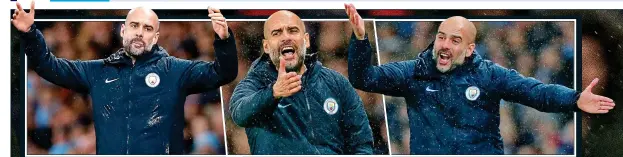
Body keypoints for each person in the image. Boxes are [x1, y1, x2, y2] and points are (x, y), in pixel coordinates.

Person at [344, 4, 616, 155]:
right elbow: (363, 77)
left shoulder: (490, 74)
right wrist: (359, 39)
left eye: (455, 40)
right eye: (441, 37)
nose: (446, 46)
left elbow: (538, 93)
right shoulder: (412, 72)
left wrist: (576, 98)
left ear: (470, 48)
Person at [12, 1, 238, 154]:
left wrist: (224, 40)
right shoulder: (98, 72)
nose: (140, 32)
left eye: (148, 28)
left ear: (156, 36)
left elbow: (223, 73)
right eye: (134, 25)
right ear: (123, 31)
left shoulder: (175, 71)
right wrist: (30, 33)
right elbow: (49, 67)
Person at [229, 10, 373, 155]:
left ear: (306, 40)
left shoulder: (336, 83)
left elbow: (361, 143)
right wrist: (273, 93)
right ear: (266, 46)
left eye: (292, 30)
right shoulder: (255, 84)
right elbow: (240, 114)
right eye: (277, 33)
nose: (286, 37)